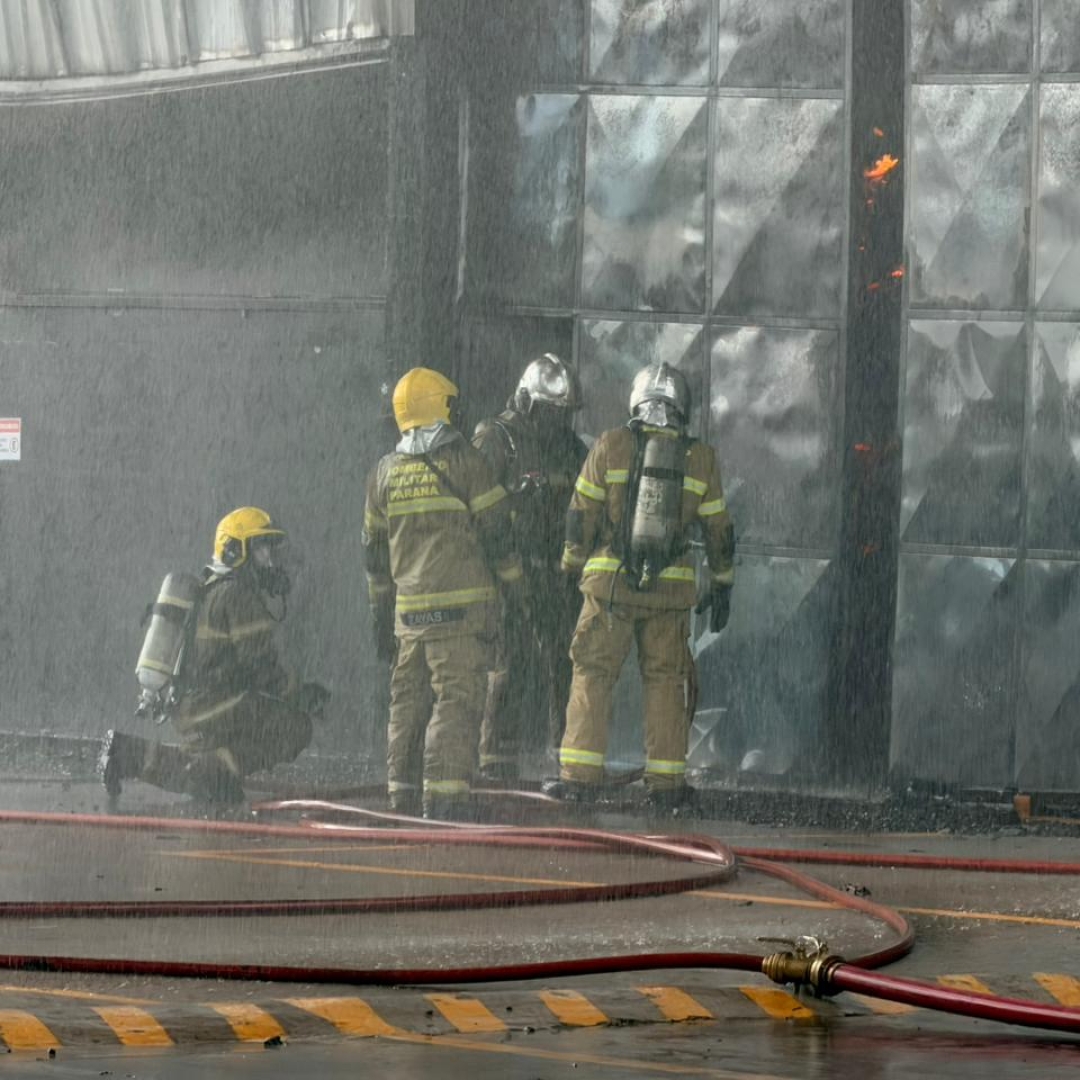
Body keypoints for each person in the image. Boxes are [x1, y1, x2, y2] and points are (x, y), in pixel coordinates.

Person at [544, 362, 734, 814]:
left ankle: (579, 780)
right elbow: (719, 531)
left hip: (610, 587)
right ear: (681, 406)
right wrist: (723, 583)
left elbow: (580, 515)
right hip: (669, 594)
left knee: (593, 675)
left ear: (637, 400)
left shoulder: (610, 445)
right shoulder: (700, 457)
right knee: (666, 683)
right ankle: (666, 786)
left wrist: (570, 567)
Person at [362, 367, 523, 820]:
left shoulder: (383, 474)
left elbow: (372, 554)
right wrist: (516, 587)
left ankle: (402, 792)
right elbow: (497, 535)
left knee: (408, 702)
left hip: (408, 616)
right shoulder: (467, 463)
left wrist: (379, 610)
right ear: (440, 407)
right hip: (461, 613)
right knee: (457, 698)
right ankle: (446, 796)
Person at [99, 507, 328, 807]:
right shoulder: (238, 596)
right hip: (215, 708)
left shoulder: (211, 590)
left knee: (208, 760)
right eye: (260, 549)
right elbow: (262, 669)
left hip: (192, 707)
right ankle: (216, 777)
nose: (269, 559)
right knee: (294, 727)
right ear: (236, 551)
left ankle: (124, 754)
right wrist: (301, 695)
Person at [471, 353, 589, 782]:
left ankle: (567, 760)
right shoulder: (496, 440)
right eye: (552, 412)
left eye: (565, 414)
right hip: (507, 575)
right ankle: (495, 762)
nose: (559, 422)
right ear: (527, 403)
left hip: (557, 575)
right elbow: (476, 511)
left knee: (563, 664)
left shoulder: (572, 450)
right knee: (508, 663)